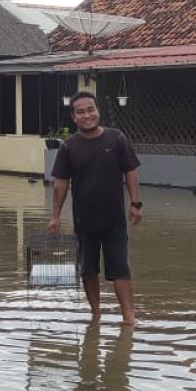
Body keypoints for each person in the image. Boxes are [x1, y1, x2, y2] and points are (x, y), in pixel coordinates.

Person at [47, 91, 142, 325]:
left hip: (114, 221)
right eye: (81, 112)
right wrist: (55, 216)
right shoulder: (68, 147)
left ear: (98, 111)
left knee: (121, 269)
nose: (87, 115)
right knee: (88, 270)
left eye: (91, 109)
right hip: (84, 221)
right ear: (74, 117)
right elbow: (61, 184)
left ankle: (129, 318)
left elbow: (131, 171)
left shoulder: (116, 139)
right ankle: (96, 313)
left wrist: (136, 204)